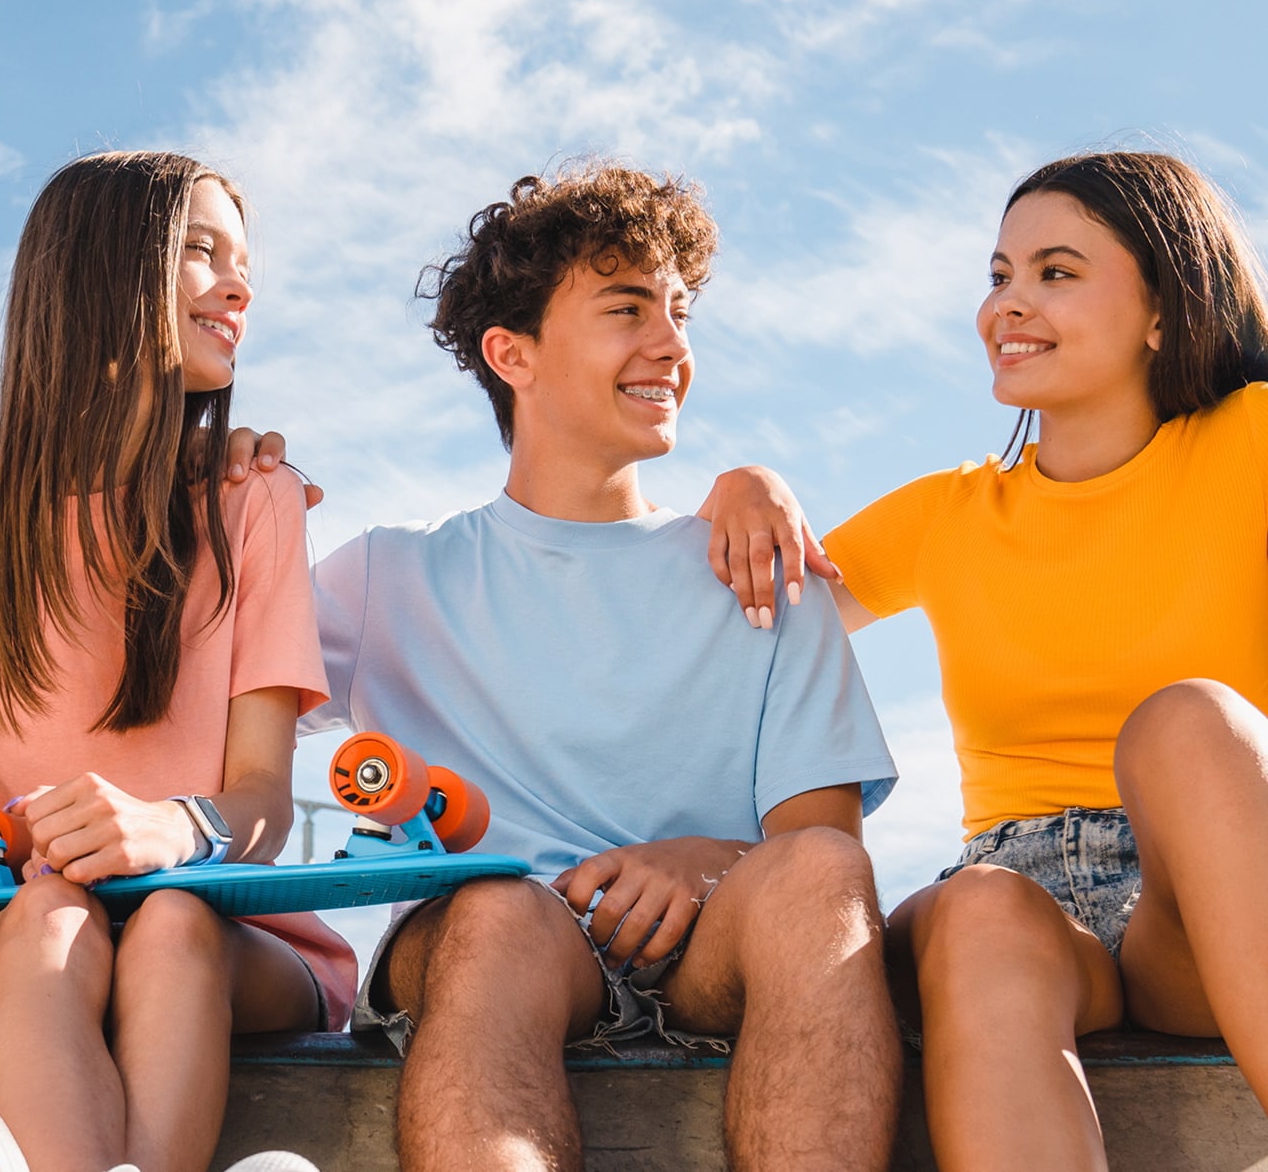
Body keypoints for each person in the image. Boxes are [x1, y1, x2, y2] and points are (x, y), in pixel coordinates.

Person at [701, 150, 1268, 1171]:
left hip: (1203, 902)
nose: (1008, 303)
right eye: (1000, 274)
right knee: (976, 913)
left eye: (1056, 272)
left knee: (1193, 720)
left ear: (1163, 311)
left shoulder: (1265, 442)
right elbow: (725, 638)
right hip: (1013, 899)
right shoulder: (948, 514)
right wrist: (746, 483)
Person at [302, 164, 903, 1172]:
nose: (671, 345)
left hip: (710, 952)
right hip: (488, 955)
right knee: (498, 915)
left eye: (678, 312)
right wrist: (238, 492)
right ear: (513, 353)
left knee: (821, 875)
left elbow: (822, 842)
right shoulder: (384, 576)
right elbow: (206, 677)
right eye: (629, 309)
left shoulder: (756, 562)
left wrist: (703, 859)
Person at [0, 151, 353, 1172]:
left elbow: (263, 800)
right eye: (199, 253)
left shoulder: (256, 500)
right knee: (47, 917)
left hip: (242, 935)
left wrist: (175, 827)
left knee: (170, 919)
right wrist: (51, 857)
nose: (240, 287)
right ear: (97, 272)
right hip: (9, 932)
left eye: (243, 261)